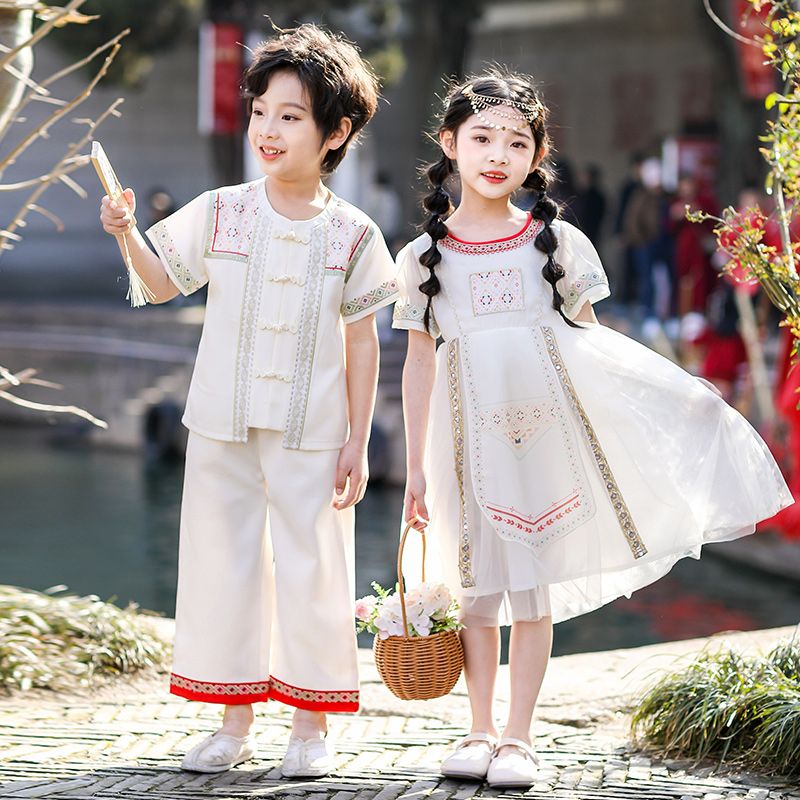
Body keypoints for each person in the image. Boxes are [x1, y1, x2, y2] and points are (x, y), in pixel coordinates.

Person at [392, 70, 792, 790]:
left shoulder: (558, 243)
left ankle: (518, 738)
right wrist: (416, 467)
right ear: (449, 144)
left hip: (544, 438)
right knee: (476, 590)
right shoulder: (422, 258)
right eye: (481, 137)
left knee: (531, 591)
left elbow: (594, 347)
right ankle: (477, 729)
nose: (496, 154)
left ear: (535, 155)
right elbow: (419, 363)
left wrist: (676, 390)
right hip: (461, 442)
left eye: (517, 142)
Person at [99, 24, 398, 779]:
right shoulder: (222, 209)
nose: (268, 129)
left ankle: (310, 728)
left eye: (291, 116)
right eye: (262, 110)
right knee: (222, 566)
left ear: (337, 132)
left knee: (313, 570)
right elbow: (161, 281)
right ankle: (233, 722)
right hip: (221, 422)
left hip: (313, 429)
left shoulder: (356, 234)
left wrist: (358, 441)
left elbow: (363, 344)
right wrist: (127, 233)